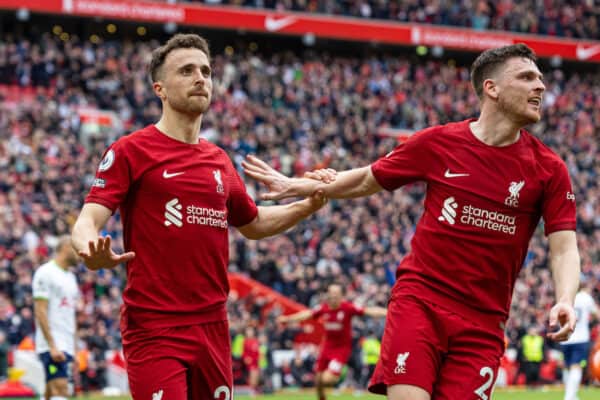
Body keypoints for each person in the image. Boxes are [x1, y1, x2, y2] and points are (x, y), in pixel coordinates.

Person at [242, 43, 580, 400]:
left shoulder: (549, 170)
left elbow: (563, 248)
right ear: (491, 89)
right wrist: (298, 183)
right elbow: (366, 178)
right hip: (421, 303)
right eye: (527, 77)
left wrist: (565, 299)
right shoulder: (439, 143)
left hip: (483, 324)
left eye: (540, 79)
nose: (540, 86)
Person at [70, 33, 326, 400]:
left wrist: (308, 204)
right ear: (159, 88)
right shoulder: (131, 151)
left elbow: (253, 224)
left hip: (213, 326)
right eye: (187, 70)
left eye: (206, 71)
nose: (200, 78)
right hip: (155, 327)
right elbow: (87, 220)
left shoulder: (220, 160)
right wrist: (89, 249)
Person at [278, 284, 387, 400]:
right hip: (326, 347)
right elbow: (307, 314)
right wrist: (288, 319)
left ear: (341, 296)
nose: (333, 295)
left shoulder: (347, 308)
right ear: (328, 294)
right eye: (331, 293)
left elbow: (369, 311)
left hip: (341, 349)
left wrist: (387, 312)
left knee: (327, 379)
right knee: (318, 380)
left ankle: (337, 376)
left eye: (336, 293)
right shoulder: (323, 308)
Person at [32, 236, 81, 400]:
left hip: (66, 342)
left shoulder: (71, 278)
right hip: (53, 343)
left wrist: (74, 349)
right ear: (66, 247)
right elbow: (40, 311)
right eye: (77, 249)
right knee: (61, 390)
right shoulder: (45, 273)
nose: (81, 254)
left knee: (49, 392)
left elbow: (70, 315)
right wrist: (52, 345)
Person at [561, 279, 599, 400]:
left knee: (567, 366)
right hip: (580, 337)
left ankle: (571, 395)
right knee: (576, 366)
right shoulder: (585, 297)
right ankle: (569, 396)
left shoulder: (564, 296)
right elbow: (596, 314)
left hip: (565, 337)